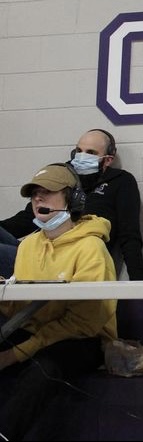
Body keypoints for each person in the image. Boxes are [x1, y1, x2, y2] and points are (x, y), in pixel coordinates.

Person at [0, 163, 117, 440]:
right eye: (34, 194)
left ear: (73, 199)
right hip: (36, 331)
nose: (38, 199)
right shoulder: (29, 244)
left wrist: (16, 354)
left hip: (83, 339)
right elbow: (22, 308)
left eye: (47, 192)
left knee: (43, 368)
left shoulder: (91, 247)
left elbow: (84, 322)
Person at [0, 128, 143, 280]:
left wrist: (140, 289)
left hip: (73, 257)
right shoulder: (62, 174)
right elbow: (26, 218)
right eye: (78, 150)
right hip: (39, 250)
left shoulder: (121, 182)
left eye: (90, 152)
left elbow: (129, 236)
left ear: (108, 159)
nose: (82, 156)